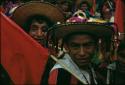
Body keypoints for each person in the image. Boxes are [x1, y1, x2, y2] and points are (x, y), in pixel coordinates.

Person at [41, 22, 115, 85]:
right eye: (75, 46)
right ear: (66, 47)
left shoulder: (92, 67)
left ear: (96, 46)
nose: (82, 53)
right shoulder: (61, 73)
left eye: (87, 45)